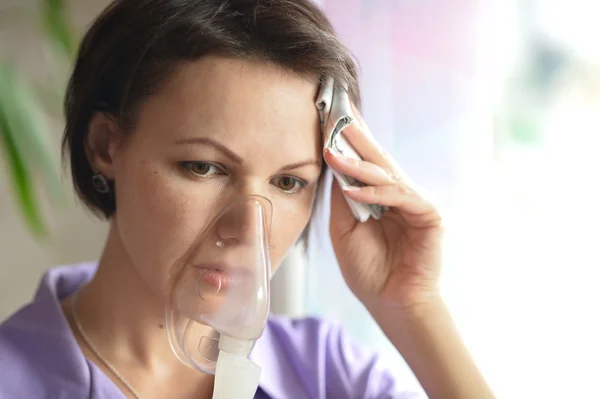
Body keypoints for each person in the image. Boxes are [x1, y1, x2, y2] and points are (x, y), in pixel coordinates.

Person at [0, 1, 496, 398]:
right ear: (106, 146)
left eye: (288, 183)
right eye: (205, 167)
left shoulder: (326, 374)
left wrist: (413, 307)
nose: (247, 227)